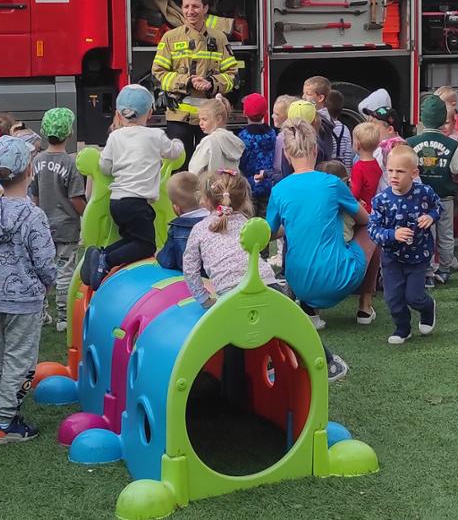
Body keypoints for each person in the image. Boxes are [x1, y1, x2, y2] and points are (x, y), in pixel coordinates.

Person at [265, 121, 364, 381]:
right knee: (372, 229)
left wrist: (295, 221)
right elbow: (363, 217)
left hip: (299, 283)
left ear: (287, 154)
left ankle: (310, 309)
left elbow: (269, 232)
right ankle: (365, 305)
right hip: (337, 280)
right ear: (316, 149)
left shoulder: (279, 189)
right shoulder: (331, 183)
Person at [0, 136, 55, 444]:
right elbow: (45, 259)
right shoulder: (33, 216)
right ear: (29, 169)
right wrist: (47, 283)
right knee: (21, 361)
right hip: (25, 299)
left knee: (0, 356)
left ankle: (0, 411)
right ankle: (5, 423)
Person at [97, 85, 185, 277]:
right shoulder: (155, 136)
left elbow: (105, 166)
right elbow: (174, 152)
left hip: (117, 201)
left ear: (119, 114)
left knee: (132, 239)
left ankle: (102, 254)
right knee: (146, 246)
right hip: (138, 203)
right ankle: (106, 260)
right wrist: (178, 142)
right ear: (150, 113)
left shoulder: (115, 137)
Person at [152, 0, 242, 158]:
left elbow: (233, 76)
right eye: (186, 7)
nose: (190, 11)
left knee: (208, 166)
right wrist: (186, 81)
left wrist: (211, 83)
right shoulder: (170, 38)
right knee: (180, 168)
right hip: (179, 116)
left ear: (205, 9)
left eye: (195, 6)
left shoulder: (219, 38)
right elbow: (158, 74)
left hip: (211, 118)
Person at [367, 145, 442, 345]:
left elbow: (438, 206)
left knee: (414, 296)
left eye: (400, 171)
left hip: (418, 255)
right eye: (390, 170)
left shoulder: (424, 192)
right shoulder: (381, 201)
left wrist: (431, 217)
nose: (394, 176)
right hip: (392, 258)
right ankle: (403, 328)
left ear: (414, 173)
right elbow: (372, 229)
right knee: (393, 298)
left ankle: (427, 308)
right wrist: (393, 234)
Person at [183, 170, 280, 305]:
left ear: (205, 199)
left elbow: (190, 268)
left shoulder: (199, 229)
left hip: (231, 292)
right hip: (267, 284)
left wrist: (203, 299)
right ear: (245, 198)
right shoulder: (246, 222)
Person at [33, 108, 87, 331]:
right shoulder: (70, 163)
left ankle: (41, 312)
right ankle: (64, 317)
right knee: (65, 271)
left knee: (42, 270)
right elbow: (75, 197)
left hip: (43, 227)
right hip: (66, 227)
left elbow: (34, 195)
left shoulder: (36, 160)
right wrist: (86, 212)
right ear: (70, 132)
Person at [407, 95, 458, 284]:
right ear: (443, 119)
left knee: (425, 234)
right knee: (446, 234)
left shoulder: (411, 142)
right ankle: (445, 269)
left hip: (420, 198)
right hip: (445, 197)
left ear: (422, 118)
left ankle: (427, 272)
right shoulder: (452, 144)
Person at [346, 125, 384, 326]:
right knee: (373, 257)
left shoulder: (359, 166)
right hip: (375, 213)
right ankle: (366, 301)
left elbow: (355, 193)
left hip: (361, 215)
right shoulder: (377, 166)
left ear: (357, 144)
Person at [155, 172, 206, 270]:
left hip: (193, 276)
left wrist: (158, 254)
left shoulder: (177, 229)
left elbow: (167, 261)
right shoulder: (218, 219)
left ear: (177, 208)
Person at [237, 93, 279, 209]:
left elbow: (241, 162)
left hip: (250, 185)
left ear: (244, 113)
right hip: (269, 182)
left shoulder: (243, 137)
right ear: (265, 112)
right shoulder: (272, 134)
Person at [301, 77, 354, 166]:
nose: (303, 97)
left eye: (308, 94)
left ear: (321, 98)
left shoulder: (319, 122)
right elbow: (347, 155)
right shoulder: (341, 127)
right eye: (303, 93)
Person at [188, 98, 244, 179]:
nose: (200, 123)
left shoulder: (208, 141)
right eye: (199, 119)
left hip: (210, 188)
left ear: (218, 119)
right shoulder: (233, 140)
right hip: (231, 188)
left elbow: (194, 170)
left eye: (204, 119)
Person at [359, 88, 406, 162]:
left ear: (390, 130)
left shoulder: (393, 147)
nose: (370, 127)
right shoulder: (380, 146)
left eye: (373, 124)